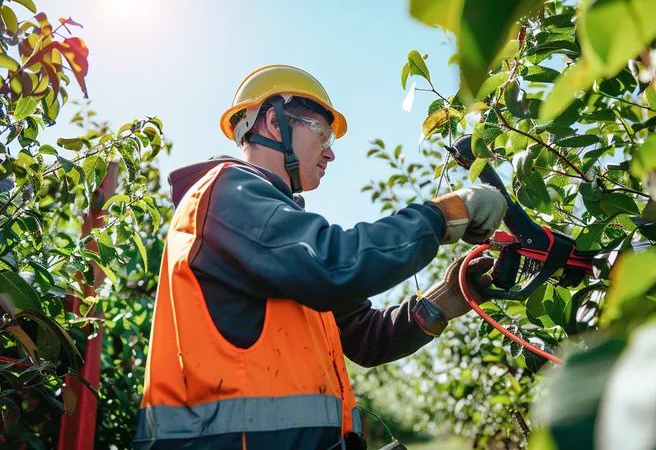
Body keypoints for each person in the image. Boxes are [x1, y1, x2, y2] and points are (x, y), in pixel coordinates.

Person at [133, 65, 507, 450]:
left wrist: (446, 298)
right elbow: (335, 266)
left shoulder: (276, 235)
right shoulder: (226, 195)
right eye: (322, 134)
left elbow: (366, 337)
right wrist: (443, 213)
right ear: (275, 124)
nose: (329, 152)